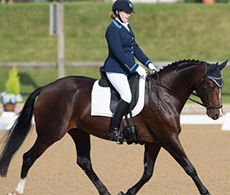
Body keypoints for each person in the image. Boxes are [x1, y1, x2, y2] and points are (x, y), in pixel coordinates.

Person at [101, 0, 157, 143]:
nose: (128, 15)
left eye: (129, 13)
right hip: (115, 69)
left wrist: (148, 63)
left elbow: (135, 48)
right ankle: (113, 130)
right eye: (126, 12)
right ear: (117, 12)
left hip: (126, 68)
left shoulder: (126, 26)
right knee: (126, 96)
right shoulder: (112, 29)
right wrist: (135, 67)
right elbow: (118, 52)